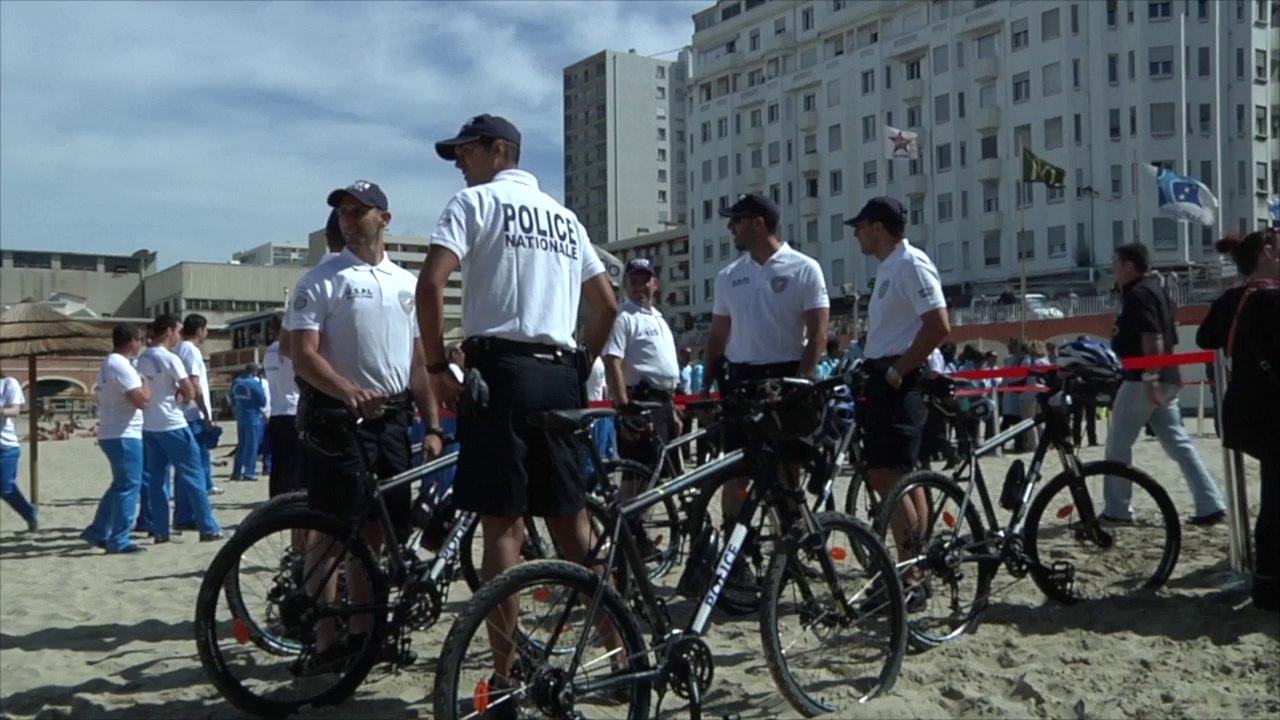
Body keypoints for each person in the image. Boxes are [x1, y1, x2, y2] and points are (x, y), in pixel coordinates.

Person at [418, 113, 618, 692]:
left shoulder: (475, 204)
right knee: (572, 521)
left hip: (500, 372)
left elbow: (430, 285)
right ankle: (621, 648)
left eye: (467, 152)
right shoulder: (564, 217)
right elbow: (606, 305)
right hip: (557, 371)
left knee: (501, 527)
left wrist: (436, 368)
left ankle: (504, 675)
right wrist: (582, 362)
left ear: (499, 151)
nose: (460, 163)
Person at [289, 179, 443, 669]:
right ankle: (324, 640)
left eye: (360, 211)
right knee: (332, 532)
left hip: (392, 421)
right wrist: (346, 389)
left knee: (377, 532)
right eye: (344, 212)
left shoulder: (404, 283)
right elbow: (302, 354)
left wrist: (433, 425)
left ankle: (363, 632)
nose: (350, 220)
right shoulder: (321, 279)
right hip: (338, 420)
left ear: (384, 219)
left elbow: (418, 364)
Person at [703, 191, 829, 525]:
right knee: (736, 470)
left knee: (786, 472)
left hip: (786, 375)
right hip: (742, 379)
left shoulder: (805, 268)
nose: (730, 228)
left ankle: (790, 539)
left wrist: (801, 382)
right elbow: (717, 337)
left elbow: (818, 333)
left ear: (758, 223)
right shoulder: (728, 276)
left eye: (737, 220)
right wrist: (705, 389)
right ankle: (733, 540)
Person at [849, 196, 949, 609]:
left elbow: (938, 324)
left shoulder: (910, 263)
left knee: (888, 476)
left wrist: (898, 370)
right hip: (885, 375)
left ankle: (911, 574)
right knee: (902, 476)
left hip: (898, 379)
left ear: (878, 228)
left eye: (860, 227)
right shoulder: (890, 267)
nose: (856, 235)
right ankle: (914, 567)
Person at [1104, 243, 1227, 525]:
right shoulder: (1157, 291)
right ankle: (1210, 503)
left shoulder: (1139, 294)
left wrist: (1151, 378)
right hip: (1166, 376)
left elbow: (1153, 339)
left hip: (1143, 379)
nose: (1113, 269)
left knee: (1117, 445)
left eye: (1116, 263)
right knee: (1179, 443)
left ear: (1130, 266)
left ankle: (1117, 509)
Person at [1196, 229, 1280, 611]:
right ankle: (1268, 583)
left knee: (1273, 496)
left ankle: (1266, 582)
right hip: (1273, 411)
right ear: (1267, 253)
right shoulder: (1272, 298)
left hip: (1244, 410)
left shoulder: (1232, 300)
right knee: (1275, 499)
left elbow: (1204, 339)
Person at [138, 314, 221, 544]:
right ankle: (208, 527)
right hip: (172, 423)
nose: (179, 336)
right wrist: (180, 394)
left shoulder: (142, 358)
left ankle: (160, 530)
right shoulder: (170, 358)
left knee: (157, 479)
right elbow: (190, 389)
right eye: (177, 331)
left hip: (150, 424)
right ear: (168, 331)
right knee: (194, 474)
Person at [603, 258, 682, 473]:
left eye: (644, 281)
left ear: (655, 284)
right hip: (640, 402)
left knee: (665, 475)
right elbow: (613, 363)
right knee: (640, 476)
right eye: (634, 281)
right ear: (626, 285)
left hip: (663, 404)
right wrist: (625, 411)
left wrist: (672, 410)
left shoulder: (659, 318)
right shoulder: (623, 317)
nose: (639, 287)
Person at [81, 324, 149, 553]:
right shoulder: (120, 365)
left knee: (120, 485)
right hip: (124, 433)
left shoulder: (109, 363)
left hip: (113, 432)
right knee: (129, 486)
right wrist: (146, 385)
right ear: (132, 341)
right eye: (140, 340)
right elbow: (141, 401)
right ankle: (119, 539)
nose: (142, 345)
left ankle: (98, 531)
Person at [174, 314, 222, 534]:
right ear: (200, 329)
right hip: (193, 415)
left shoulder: (179, 349)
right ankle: (189, 514)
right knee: (196, 466)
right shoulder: (191, 351)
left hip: (185, 414)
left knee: (186, 467)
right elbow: (195, 383)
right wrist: (205, 413)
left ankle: (183, 513)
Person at [263, 314, 302, 498]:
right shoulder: (291, 351)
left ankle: (276, 498)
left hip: (276, 410)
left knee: (278, 462)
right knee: (295, 463)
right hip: (293, 409)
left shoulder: (268, 352)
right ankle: (291, 499)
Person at [0, 371, 37, 531]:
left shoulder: (8, 383)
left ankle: (29, 514)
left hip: (5, 446)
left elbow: (15, 410)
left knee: (6, 488)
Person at [228, 364, 266, 482]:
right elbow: (262, 400)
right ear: (255, 372)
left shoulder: (236, 382)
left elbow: (231, 398)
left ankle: (236, 472)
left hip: (240, 416)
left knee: (241, 445)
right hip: (253, 416)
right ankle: (249, 472)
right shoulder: (254, 383)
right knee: (252, 445)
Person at [1070, 335, 1101, 447]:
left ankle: (1092, 439)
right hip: (1077, 390)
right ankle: (1077, 441)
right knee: (1077, 417)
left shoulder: (1092, 356)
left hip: (1090, 389)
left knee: (1091, 416)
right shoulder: (1073, 356)